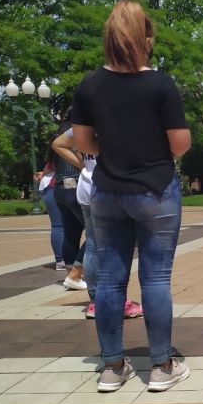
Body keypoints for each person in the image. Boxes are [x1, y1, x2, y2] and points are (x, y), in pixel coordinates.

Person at [72, 0, 191, 393]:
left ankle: (111, 366)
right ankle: (160, 366)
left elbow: (85, 142)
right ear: (147, 38)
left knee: (109, 280)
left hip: (107, 190)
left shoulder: (89, 85)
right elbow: (179, 145)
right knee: (155, 278)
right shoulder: (160, 84)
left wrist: (118, 151)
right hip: (155, 189)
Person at [55, 128, 144, 320]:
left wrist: (84, 165)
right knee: (119, 246)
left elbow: (58, 143)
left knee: (93, 245)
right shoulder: (116, 117)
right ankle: (119, 300)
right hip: (112, 186)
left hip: (88, 187)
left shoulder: (85, 123)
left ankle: (95, 302)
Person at [52, 122, 87, 290]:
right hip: (76, 186)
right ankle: (75, 274)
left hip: (59, 188)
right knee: (96, 233)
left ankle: (71, 274)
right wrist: (85, 166)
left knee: (70, 233)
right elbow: (82, 158)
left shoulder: (59, 137)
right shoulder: (78, 135)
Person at [35, 155, 65, 270]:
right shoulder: (68, 140)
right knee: (59, 225)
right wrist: (43, 174)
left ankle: (63, 259)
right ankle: (61, 260)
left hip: (51, 186)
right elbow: (51, 164)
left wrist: (42, 174)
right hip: (53, 186)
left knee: (60, 225)